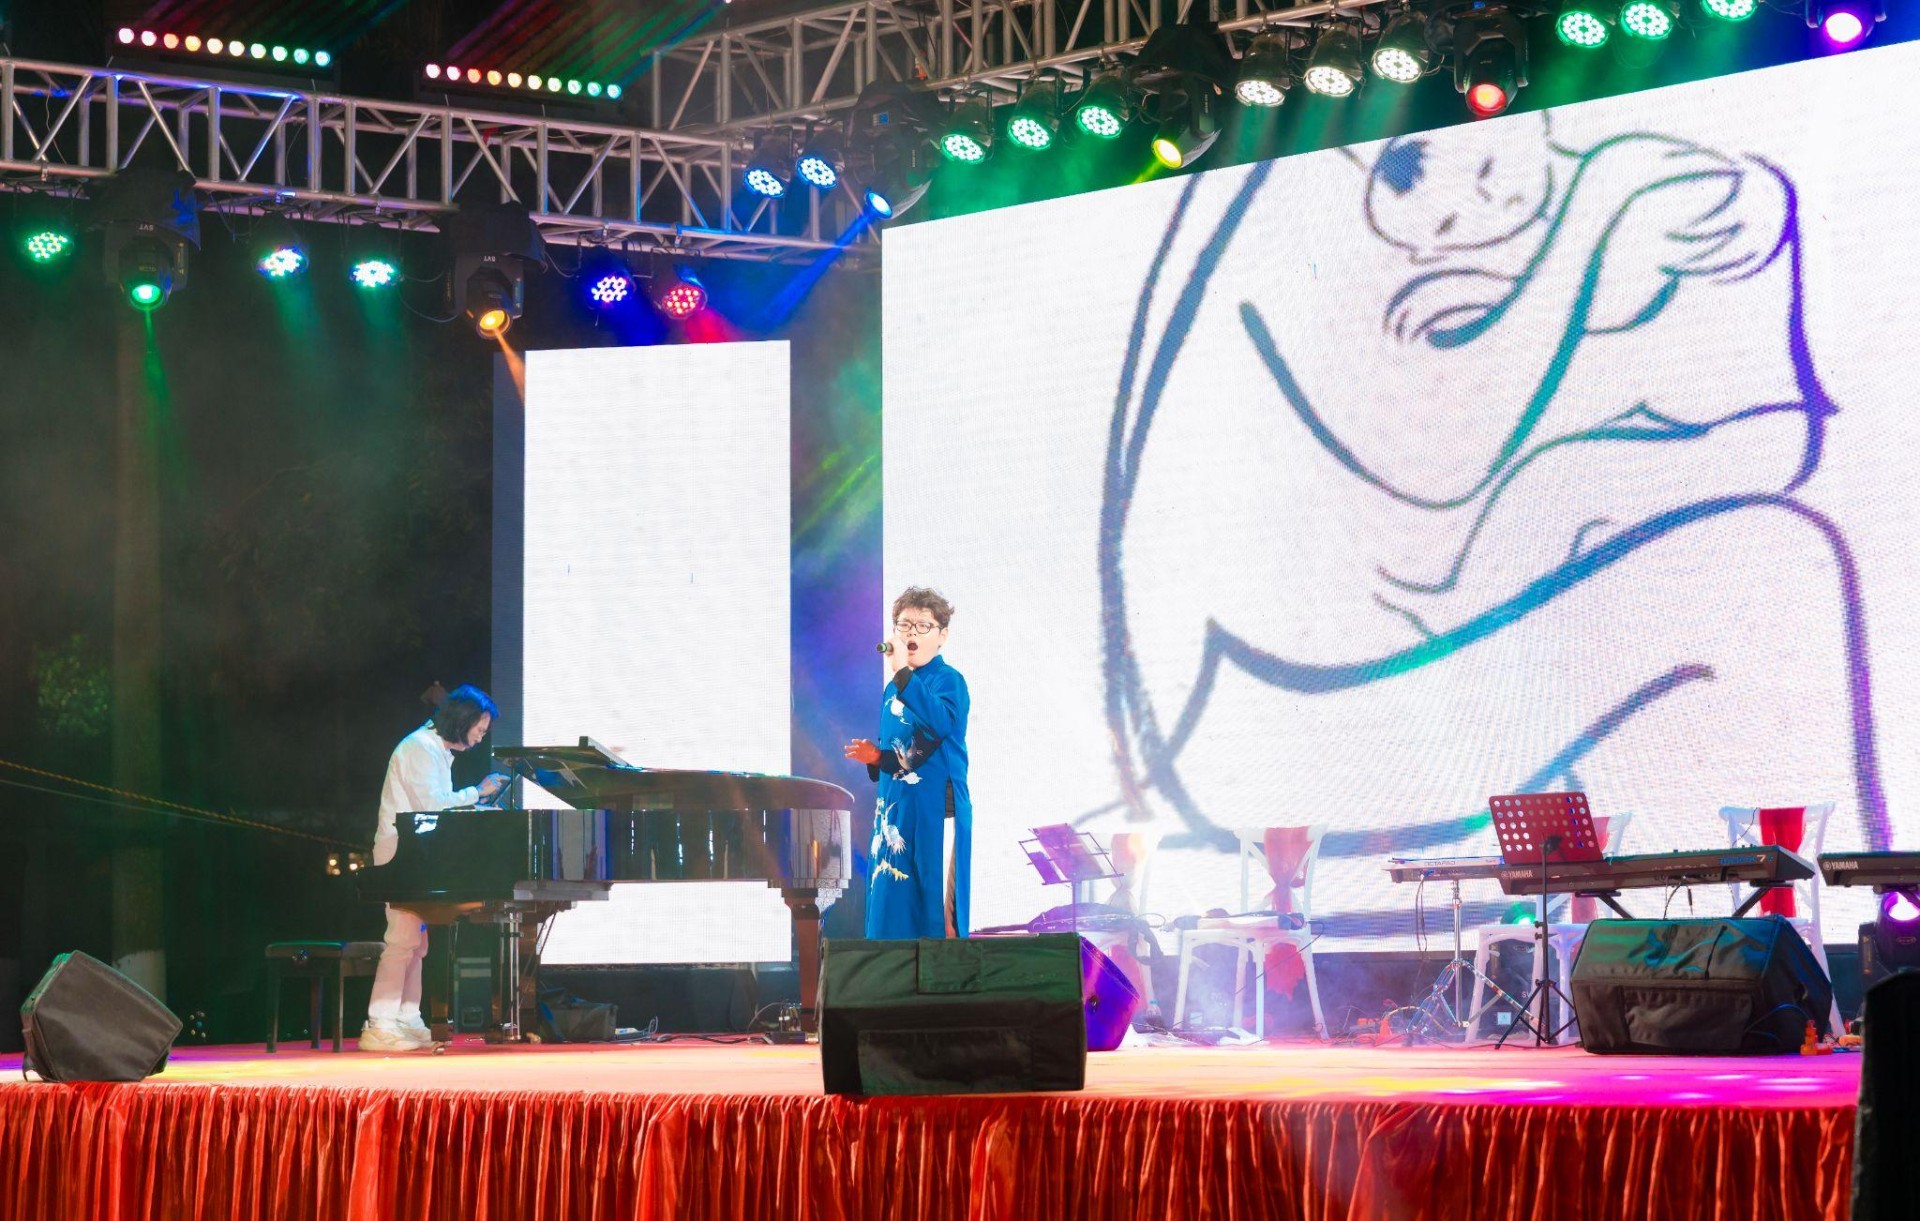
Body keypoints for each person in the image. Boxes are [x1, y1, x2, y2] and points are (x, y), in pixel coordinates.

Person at [361, 685, 510, 1052]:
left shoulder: (437, 751)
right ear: (463, 720)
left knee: (417, 943)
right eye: (480, 728)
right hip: (400, 851)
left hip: (418, 854)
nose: (481, 736)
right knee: (401, 940)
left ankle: (406, 1019)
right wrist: (477, 793)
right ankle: (379, 1024)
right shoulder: (420, 747)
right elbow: (431, 804)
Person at [844, 588, 972, 939]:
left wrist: (902, 672)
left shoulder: (949, 680)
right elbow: (908, 751)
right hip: (897, 809)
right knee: (890, 903)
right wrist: (876, 757)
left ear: (942, 636)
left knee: (933, 912)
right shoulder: (892, 689)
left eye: (923, 625)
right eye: (904, 624)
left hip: (935, 810)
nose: (911, 632)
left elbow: (938, 725)